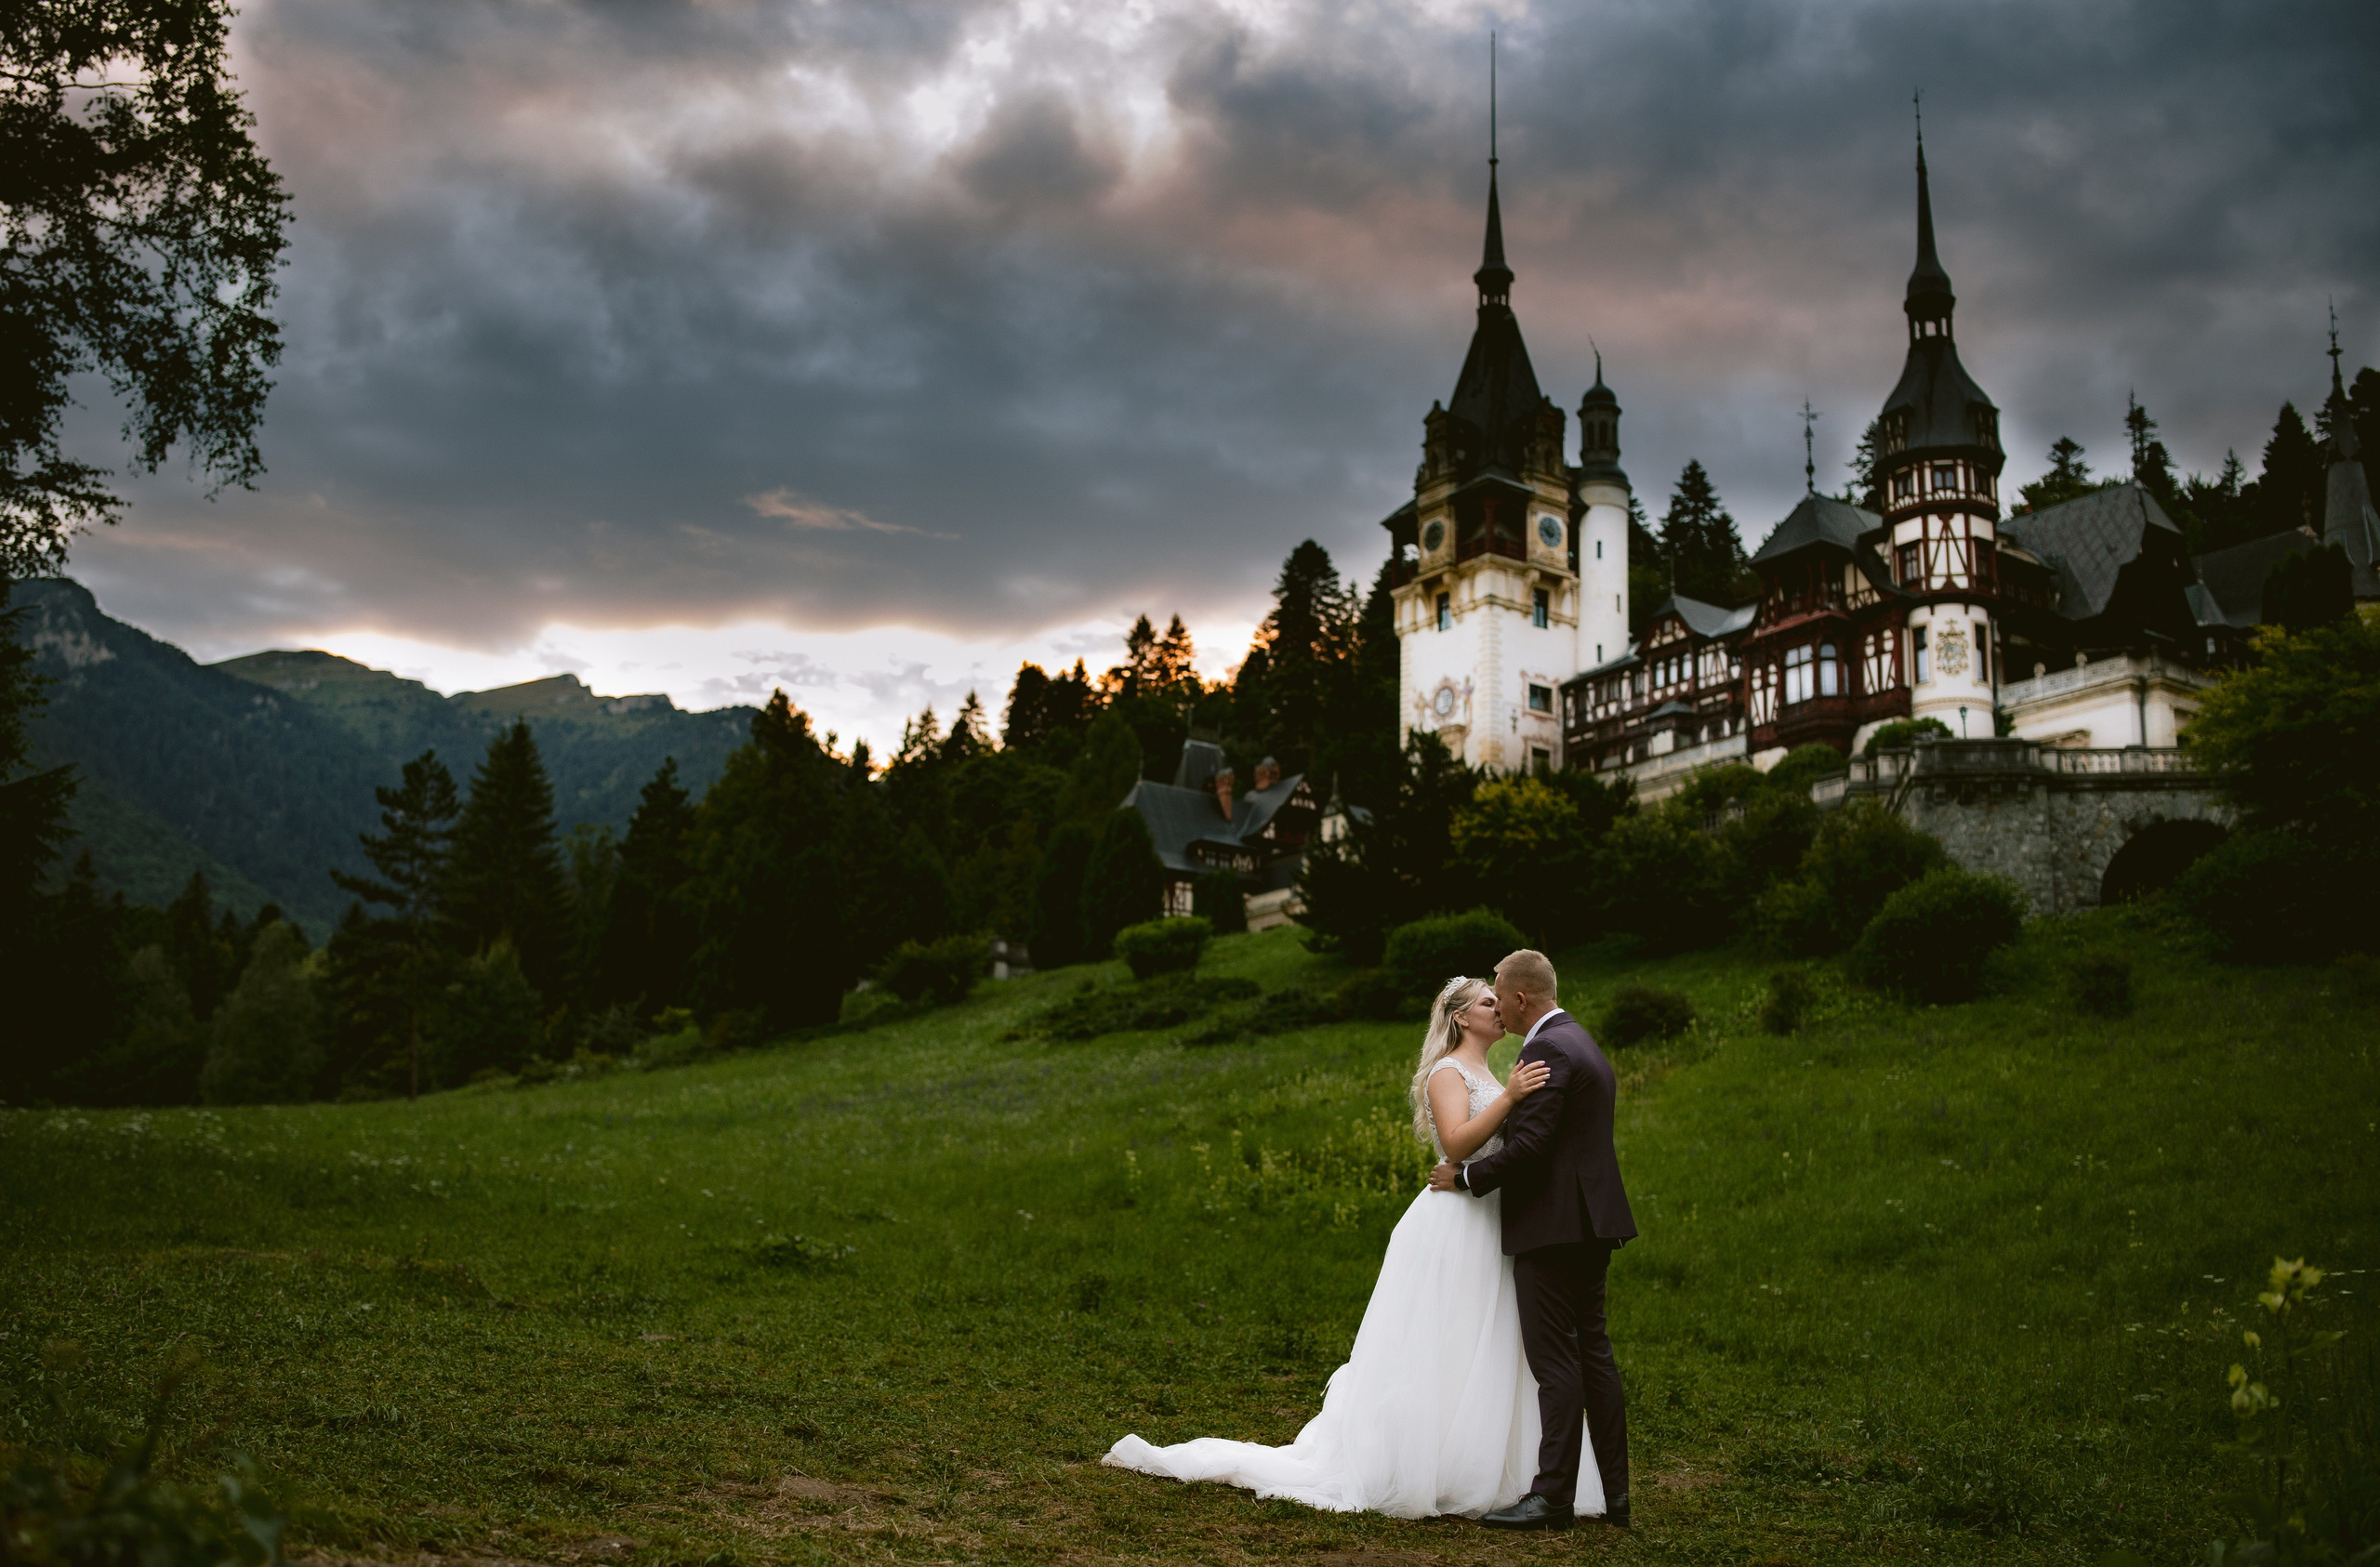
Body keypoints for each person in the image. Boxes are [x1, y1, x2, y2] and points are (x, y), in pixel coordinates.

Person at [1100, 976, 1585, 1519]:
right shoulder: (1449, 1072)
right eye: (1487, 1001)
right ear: (1460, 1017)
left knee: (1484, 1338)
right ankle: (1421, 1463)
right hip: (1456, 1221)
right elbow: (1455, 1144)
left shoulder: (1491, 1072)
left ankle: (1479, 1462)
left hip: (1492, 1215)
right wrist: (1512, 1098)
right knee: (1443, 1337)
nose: (1498, 1009)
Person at [1428, 947, 1636, 1531]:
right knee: (1594, 1355)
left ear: (1521, 998)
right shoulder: (1581, 1040)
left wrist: (1465, 1178)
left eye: (1499, 994)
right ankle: (1616, 1495)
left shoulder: (1546, 1049)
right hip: (1590, 1223)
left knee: (1556, 1362)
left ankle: (1552, 1498)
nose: (1497, 1005)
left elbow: (1532, 1147)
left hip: (1552, 1227)